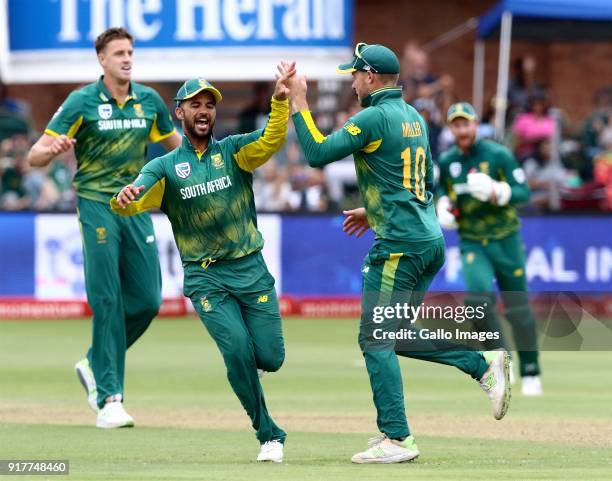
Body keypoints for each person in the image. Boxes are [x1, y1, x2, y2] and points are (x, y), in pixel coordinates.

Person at [286, 43, 511, 464]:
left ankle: (397, 438)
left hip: (399, 248)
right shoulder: (413, 117)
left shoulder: (373, 116)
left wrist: (299, 101)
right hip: (427, 240)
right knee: (393, 333)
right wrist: (375, 212)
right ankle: (481, 363)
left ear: (370, 77)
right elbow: (419, 183)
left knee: (375, 338)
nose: (352, 82)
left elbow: (316, 154)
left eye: (355, 75)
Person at [111, 64, 295, 463]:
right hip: (205, 277)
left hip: (250, 269)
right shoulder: (165, 166)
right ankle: (268, 433)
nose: (204, 110)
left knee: (271, 357)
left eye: (209, 104)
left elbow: (271, 139)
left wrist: (280, 102)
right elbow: (136, 192)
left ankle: (253, 368)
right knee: (235, 350)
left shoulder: (233, 151)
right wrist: (125, 198)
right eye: (195, 103)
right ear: (179, 112)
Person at [27, 27, 182, 428]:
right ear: (102, 60)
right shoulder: (81, 101)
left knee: (149, 299)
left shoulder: (148, 101)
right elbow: (34, 158)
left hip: (135, 204)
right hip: (96, 204)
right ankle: (109, 398)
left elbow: (176, 149)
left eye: (130, 52)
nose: (127, 58)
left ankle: (94, 362)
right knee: (108, 299)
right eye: (118, 53)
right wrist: (53, 148)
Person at [437, 102, 542, 396]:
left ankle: (531, 369)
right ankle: (501, 361)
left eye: (465, 124)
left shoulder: (498, 155)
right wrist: (444, 204)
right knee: (476, 303)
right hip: (472, 240)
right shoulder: (448, 161)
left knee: (518, 307)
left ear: (475, 125)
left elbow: (523, 192)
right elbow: (446, 191)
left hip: (505, 238)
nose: (461, 130)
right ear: (451, 129)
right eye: (455, 125)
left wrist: (499, 191)